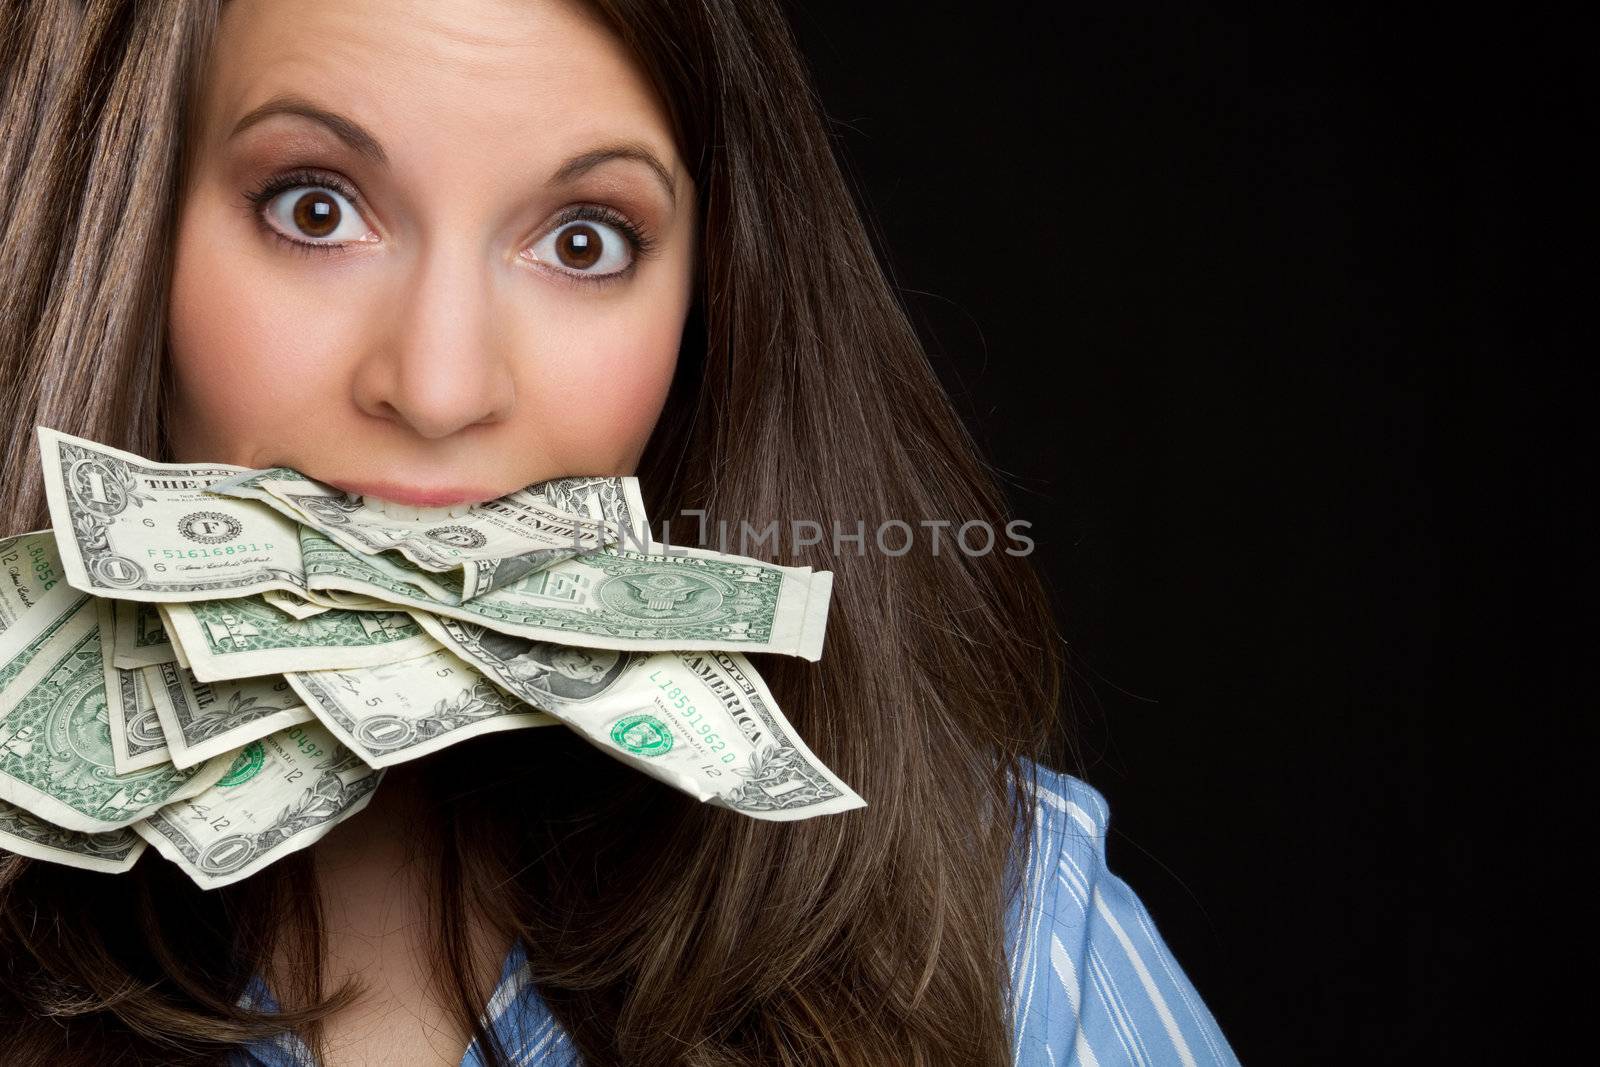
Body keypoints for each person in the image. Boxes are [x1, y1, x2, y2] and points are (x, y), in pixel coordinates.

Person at [0, 1, 1241, 1064]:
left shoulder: (1007, 932)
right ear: (127, 225)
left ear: (710, 302)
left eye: (582, 240)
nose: (438, 387)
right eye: (314, 208)